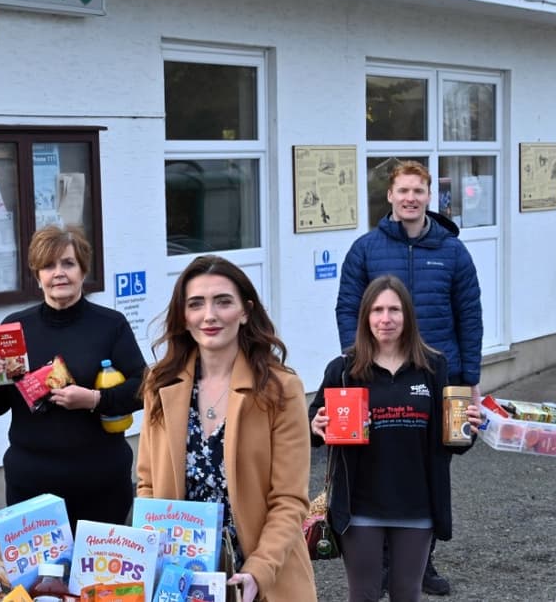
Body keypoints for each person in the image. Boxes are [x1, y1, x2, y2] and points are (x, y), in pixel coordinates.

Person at [335, 160, 483, 595]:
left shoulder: (453, 252)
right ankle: (379, 558)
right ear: (390, 196)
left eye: (418, 191)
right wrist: (355, 362)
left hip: (441, 374)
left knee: (433, 464)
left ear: (428, 196)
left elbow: (469, 316)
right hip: (375, 372)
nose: (410, 198)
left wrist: (470, 378)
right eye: (403, 191)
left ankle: (419, 561)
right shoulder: (365, 249)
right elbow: (348, 308)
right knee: (379, 460)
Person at [137, 255, 316, 602]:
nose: (210, 315)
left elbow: (290, 499)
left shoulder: (280, 388)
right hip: (181, 581)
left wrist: (258, 570)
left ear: (245, 311)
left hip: (261, 575)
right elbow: (147, 484)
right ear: (183, 316)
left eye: (223, 302)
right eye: (196, 304)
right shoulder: (160, 383)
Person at [311, 275, 480, 602]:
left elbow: (452, 439)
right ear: (365, 317)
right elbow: (314, 421)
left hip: (416, 505)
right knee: (364, 594)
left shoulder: (433, 367)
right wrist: (316, 424)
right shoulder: (344, 369)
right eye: (376, 310)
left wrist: (468, 429)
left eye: (394, 310)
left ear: (408, 316)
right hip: (360, 506)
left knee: (407, 593)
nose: (385, 319)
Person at [0, 225, 145, 527]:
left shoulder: (110, 325)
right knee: (37, 577)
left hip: (100, 485)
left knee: (99, 575)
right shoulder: (15, 328)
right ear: (37, 274)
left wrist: (93, 399)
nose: (59, 273)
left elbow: (144, 388)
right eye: (48, 265)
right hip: (30, 486)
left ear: (83, 269)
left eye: (68, 263)